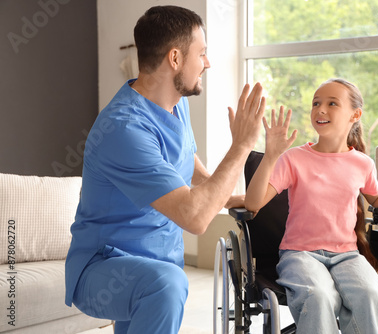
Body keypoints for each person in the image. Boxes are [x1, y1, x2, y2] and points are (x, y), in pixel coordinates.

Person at [64, 5, 266, 334]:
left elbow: (190, 168)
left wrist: (231, 199)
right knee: (166, 285)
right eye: (202, 53)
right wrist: (242, 145)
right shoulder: (124, 129)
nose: (208, 63)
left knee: (161, 283)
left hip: (152, 262)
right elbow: (196, 219)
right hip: (103, 268)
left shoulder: (175, 103)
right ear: (175, 58)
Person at [245, 78, 378, 333]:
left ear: (355, 115)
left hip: (347, 255)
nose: (320, 109)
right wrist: (271, 155)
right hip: (299, 254)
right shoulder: (294, 158)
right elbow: (253, 203)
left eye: (332, 103)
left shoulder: (362, 163)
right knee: (320, 295)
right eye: (316, 103)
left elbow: (377, 195)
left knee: (371, 293)